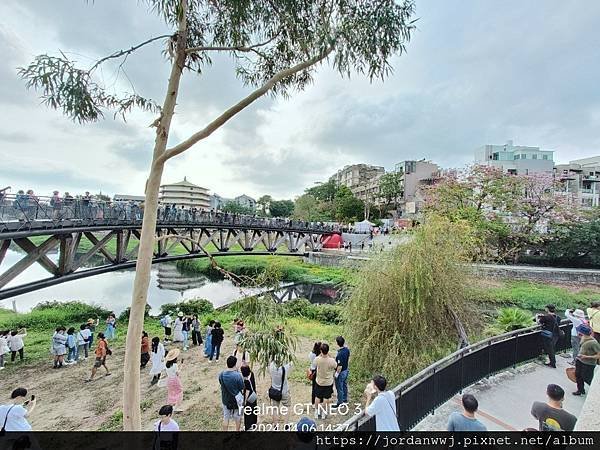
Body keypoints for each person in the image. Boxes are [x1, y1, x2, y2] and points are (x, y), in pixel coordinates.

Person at [572, 324, 600, 396]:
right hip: (580, 361)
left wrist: (586, 356)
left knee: (587, 378)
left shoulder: (594, 343)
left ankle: (595, 392)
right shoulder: (583, 338)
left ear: (582, 333)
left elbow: (598, 355)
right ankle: (580, 390)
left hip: (588, 364)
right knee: (578, 375)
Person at [218, 355, 244, 431]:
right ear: (235, 364)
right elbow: (241, 387)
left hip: (225, 400)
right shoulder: (237, 376)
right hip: (236, 401)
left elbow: (220, 383)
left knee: (226, 418)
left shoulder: (221, 374)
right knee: (237, 417)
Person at [313, 343, 338, 419]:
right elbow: (336, 366)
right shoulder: (332, 361)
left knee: (317, 397)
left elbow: (313, 366)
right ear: (328, 350)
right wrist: (329, 356)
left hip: (319, 382)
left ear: (321, 351)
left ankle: (317, 412)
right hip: (328, 382)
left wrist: (320, 355)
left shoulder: (317, 359)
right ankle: (324, 413)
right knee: (326, 398)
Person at [268, 359, 293, 424]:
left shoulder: (271, 366)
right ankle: (286, 425)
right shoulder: (285, 367)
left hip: (274, 391)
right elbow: (291, 363)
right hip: (284, 391)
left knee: (275, 409)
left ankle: (275, 426)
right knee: (287, 406)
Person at [333, 336, 350, 408]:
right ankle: (345, 399)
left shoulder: (340, 354)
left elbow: (339, 367)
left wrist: (336, 375)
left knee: (339, 387)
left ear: (337, 343)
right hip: (346, 370)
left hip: (341, 372)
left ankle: (340, 402)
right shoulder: (346, 350)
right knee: (344, 385)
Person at [241, 365, 257, 431]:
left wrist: (244, 401)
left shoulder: (246, 380)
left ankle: (248, 426)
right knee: (254, 408)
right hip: (254, 394)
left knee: (247, 411)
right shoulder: (252, 374)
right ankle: (254, 423)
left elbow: (247, 391)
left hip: (249, 396)